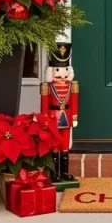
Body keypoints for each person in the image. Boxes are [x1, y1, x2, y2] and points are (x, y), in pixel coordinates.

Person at [40, 40, 79, 187]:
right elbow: (44, 105)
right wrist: (43, 119)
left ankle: (64, 172)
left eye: (64, 70)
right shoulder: (47, 87)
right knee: (54, 146)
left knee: (64, 146)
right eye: (57, 70)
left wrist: (74, 116)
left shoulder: (72, 86)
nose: (61, 74)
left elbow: (74, 101)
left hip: (67, 117)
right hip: (52, 118)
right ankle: (54, 173)